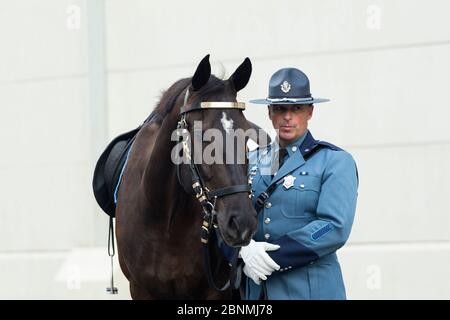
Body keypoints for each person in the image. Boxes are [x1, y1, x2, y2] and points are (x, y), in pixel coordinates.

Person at [240, 67, 359, 300]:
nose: (288, 117)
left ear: (310, 112)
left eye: (297, 108)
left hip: (309, 292)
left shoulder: (334, 161)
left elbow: (332, 226)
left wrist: (273, 257)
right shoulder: (251, 161)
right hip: (255, 294)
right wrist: (242, 250)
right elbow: (227, 216)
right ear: (269, 113)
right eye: (280, 109)